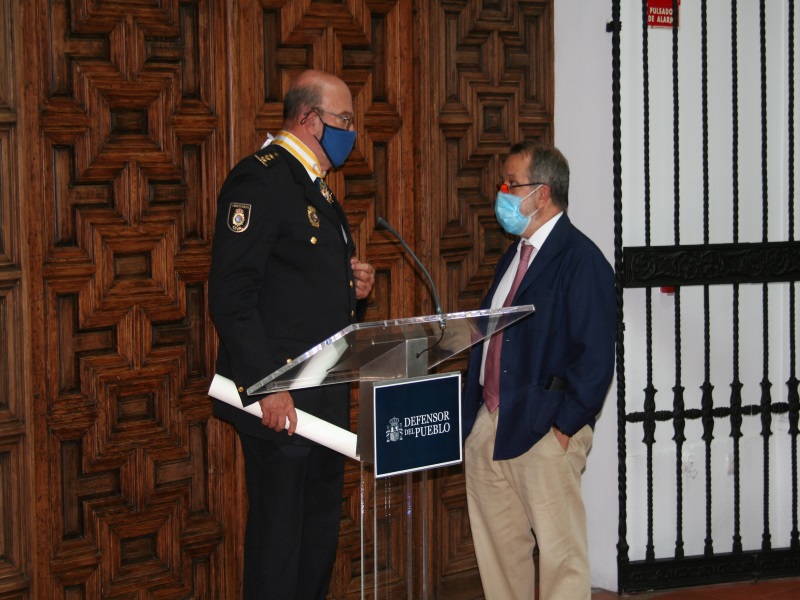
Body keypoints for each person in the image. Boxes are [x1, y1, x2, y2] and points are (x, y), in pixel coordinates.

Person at [208, 69, 375, 600]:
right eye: (343, 120)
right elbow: (232, 297)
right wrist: (268, 385)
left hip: (323, 396)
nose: (351, 131)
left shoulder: (315, 184)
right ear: (309, 119)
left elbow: (295, 282)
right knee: (279, 549)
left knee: (316, 541)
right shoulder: (261, 178)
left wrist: (352, 284)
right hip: (280, 402)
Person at [462, 142, 615, 600]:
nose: (503, 192)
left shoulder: (581, 259)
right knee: (500, 556)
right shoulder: (514, 255)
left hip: (545, 430)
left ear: (543, 194)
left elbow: (595, 356)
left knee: (561, 559)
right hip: (493, 425)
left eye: (512, 184)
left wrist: (565, 427)